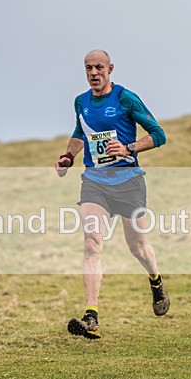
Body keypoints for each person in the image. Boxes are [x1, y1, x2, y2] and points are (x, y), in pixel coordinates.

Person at [54, 50, 170, 339]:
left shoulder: (125, 98)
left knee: (138, 248)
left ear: (110, 69)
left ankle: (156, 281)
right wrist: (69, 156)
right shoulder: (81, 101)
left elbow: (159, 135)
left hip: (129, 182)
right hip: (94, 182)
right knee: (93, 244)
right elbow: (80, 133)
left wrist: (129, 148)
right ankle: (90, 316)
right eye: (88, 68)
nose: (94, 73)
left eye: (99, 67)